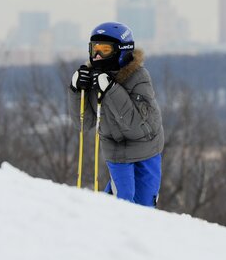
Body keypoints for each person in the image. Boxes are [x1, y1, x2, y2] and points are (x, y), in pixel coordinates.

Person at [69, 21, 164, 207]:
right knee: (123, 201)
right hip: (116, 149)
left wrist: (111, 89)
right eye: (94, 49)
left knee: (145, 204)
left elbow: (136, 127)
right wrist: (75, 90)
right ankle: (107, 225)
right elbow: (83, 123)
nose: (97, 56)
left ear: (121, 51)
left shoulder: (139, 78)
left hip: (147, 147)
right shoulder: (94, 77)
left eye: (104, 50)